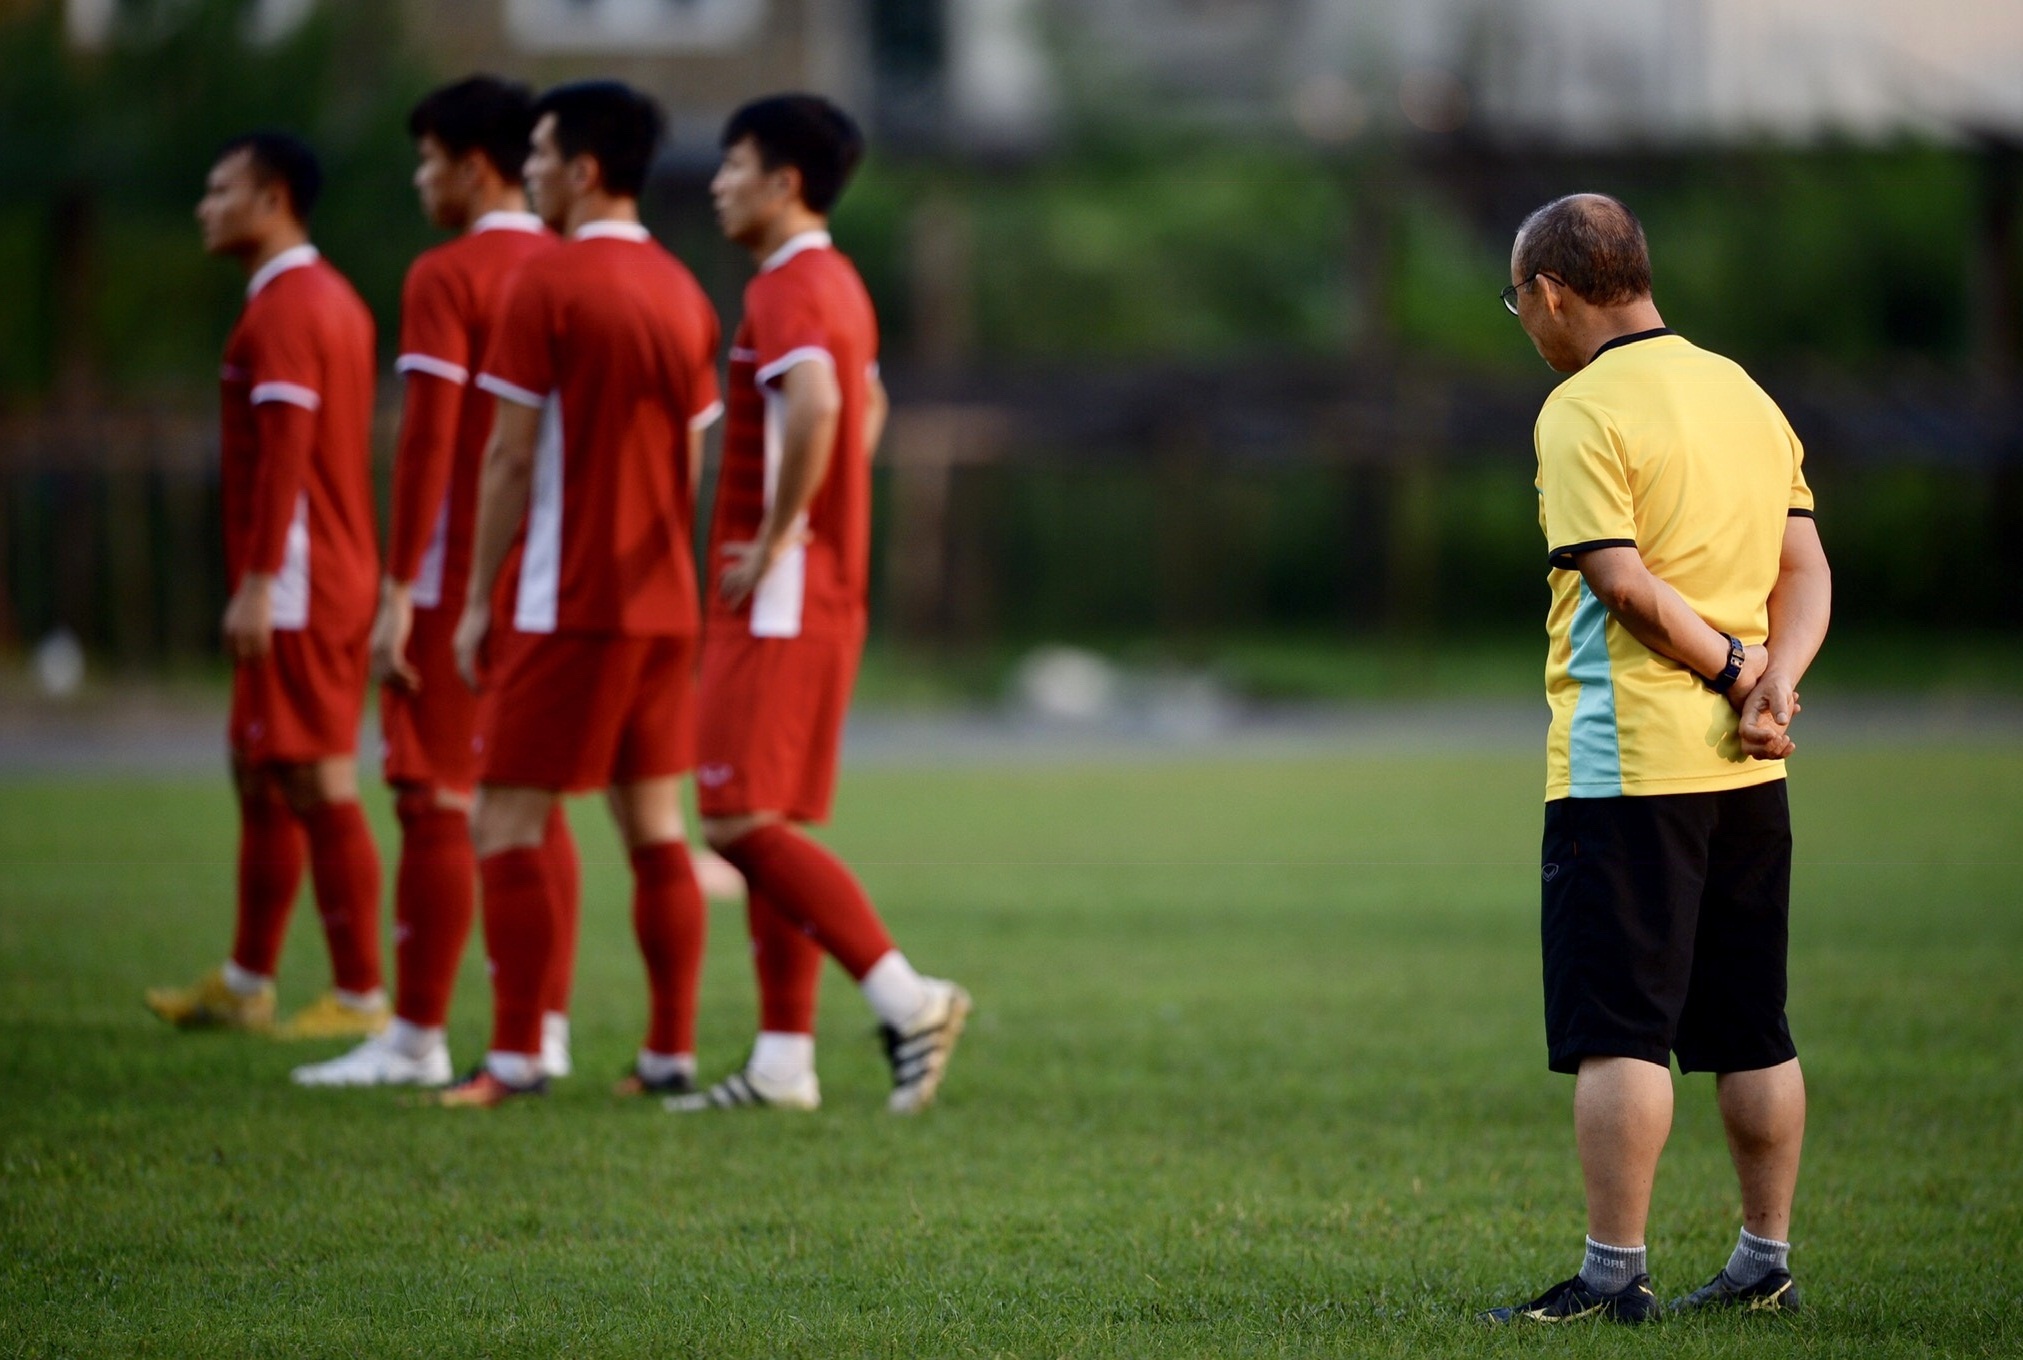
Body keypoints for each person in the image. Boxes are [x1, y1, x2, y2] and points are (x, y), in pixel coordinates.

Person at [1482, 194, 1832, 1323]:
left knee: (1617, 1029)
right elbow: (1806, 566)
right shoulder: (1740, 390)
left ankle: (1609, 1275)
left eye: (1516, 302)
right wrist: (1777, 680)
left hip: (1627, 762)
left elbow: (1621, 583)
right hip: (1747, 769)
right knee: (1751, 1026)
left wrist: (1737, 676)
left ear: (1549, 293)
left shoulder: (1582, 406)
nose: (1523, 322)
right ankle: (1762, 1260)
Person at [672, 95, 968, 1117]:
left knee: (734, 820)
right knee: (771, 823)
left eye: (732, 164)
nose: (717, 183)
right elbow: (868, 407)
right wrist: (826, 513)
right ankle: (781, 1061)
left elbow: (825, 406)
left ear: (783, 181)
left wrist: (780, 530)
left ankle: (908, 996)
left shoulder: (789, 287)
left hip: (779, 596)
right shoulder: (840, 283)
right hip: (819, 587)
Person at [290, 77, 583, 1089]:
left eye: (426, 161)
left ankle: (416, 1035)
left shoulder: (448, 274)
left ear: (473, 166)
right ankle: (542, 1027)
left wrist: (400, 588)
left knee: (432, 794)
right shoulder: (572, 266)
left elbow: (428, 440)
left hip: (461, 567)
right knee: (533, 801)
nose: (421, 180)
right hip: (556, 572)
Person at [439, 80, 723, 1108]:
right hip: (663, 601)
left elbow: (510, 461)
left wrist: (476, 599)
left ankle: (514, 1059)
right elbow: (691, 459)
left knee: (504, 818)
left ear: (585, 169)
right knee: (654, 828)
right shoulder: (686, 293)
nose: (532, 172)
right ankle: (669, 1054)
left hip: (569, 601)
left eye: (544, 154)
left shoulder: (547, 286)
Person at [147, 133, 387, 1041]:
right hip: (308, 572)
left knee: (316, 777)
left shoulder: (287, 309)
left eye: (221, 190)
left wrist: (254, 585)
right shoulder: (323, 299)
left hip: (299, 579)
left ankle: (362, 996)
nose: (205, 207)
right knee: (258, 770)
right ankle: (247, 981)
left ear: (274, 198)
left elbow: (286, 452)